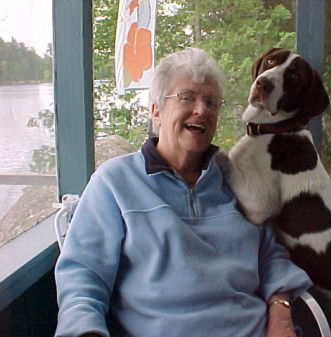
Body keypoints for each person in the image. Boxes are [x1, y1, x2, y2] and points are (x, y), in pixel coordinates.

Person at [54, 47, 312, 337]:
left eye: (211, 102)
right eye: (187, 97)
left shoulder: (234, 179)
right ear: (156, 111)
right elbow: (83, 278)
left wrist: (280, 310)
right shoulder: (115, 182)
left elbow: (270, 254)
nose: (201, 110)